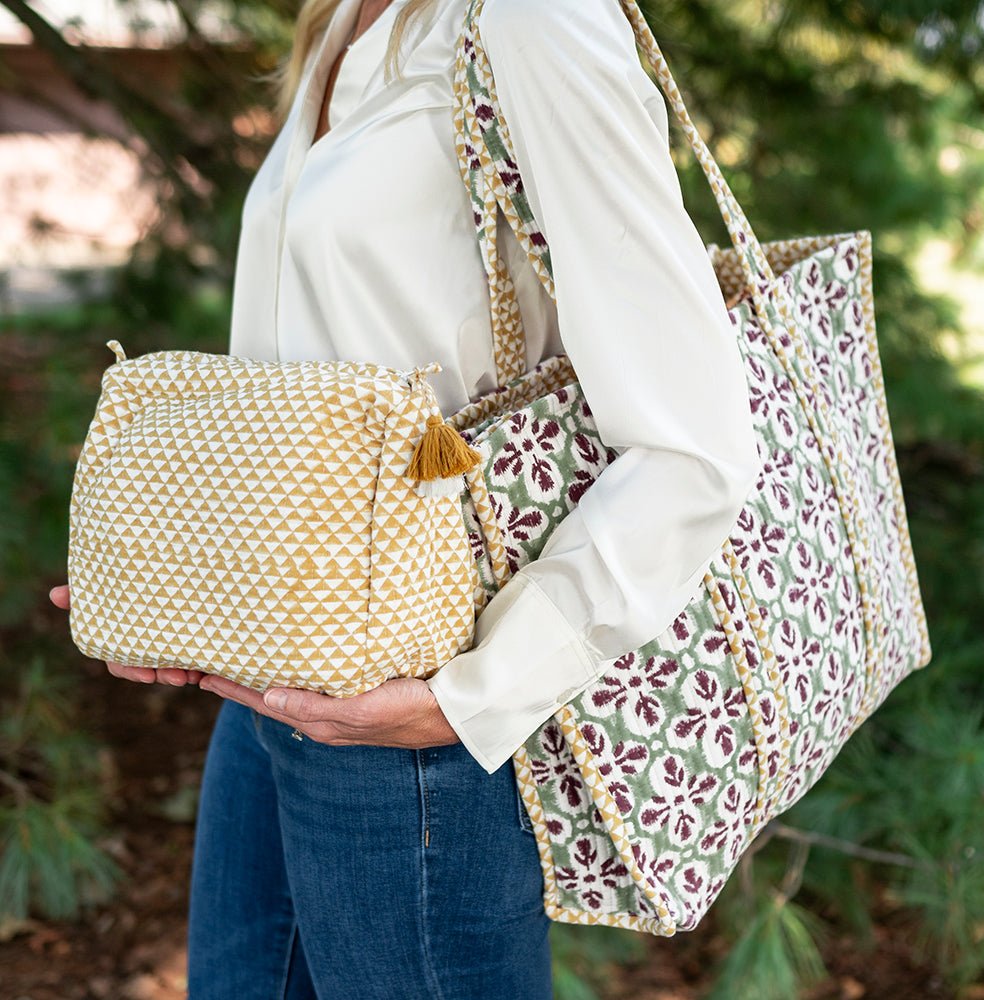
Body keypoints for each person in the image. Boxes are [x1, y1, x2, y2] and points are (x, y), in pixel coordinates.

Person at [50, 0, 761, 995]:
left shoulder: (532, 17)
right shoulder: (343, 16)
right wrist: (192, 576)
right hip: (273, 676)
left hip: (413, 699)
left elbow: (694, 440)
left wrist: (469, 696)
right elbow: (303, 377)